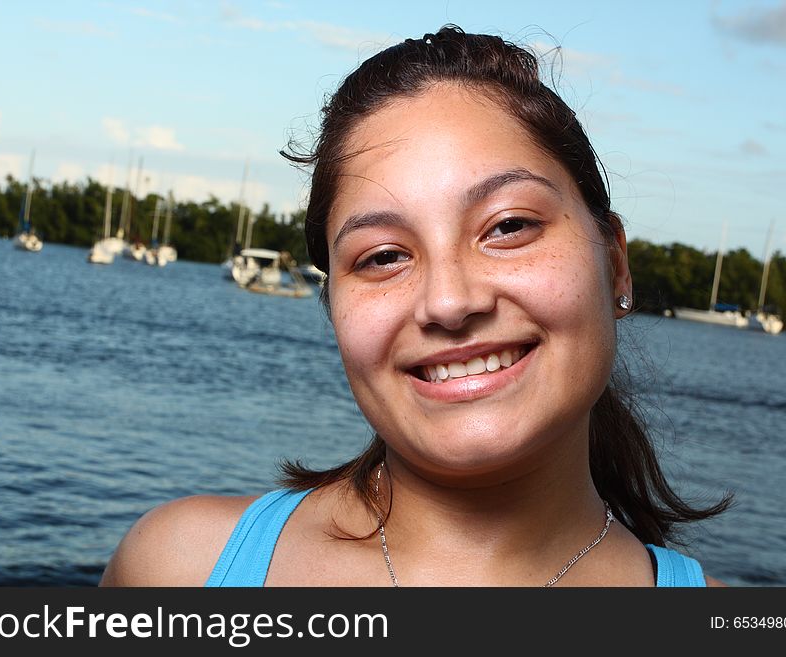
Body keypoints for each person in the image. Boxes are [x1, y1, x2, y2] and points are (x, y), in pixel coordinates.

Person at [100, 25, 731, 587]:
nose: (450, 301)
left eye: (507, 226)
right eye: (382, 257)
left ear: (614, 262)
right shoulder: (178, 570)